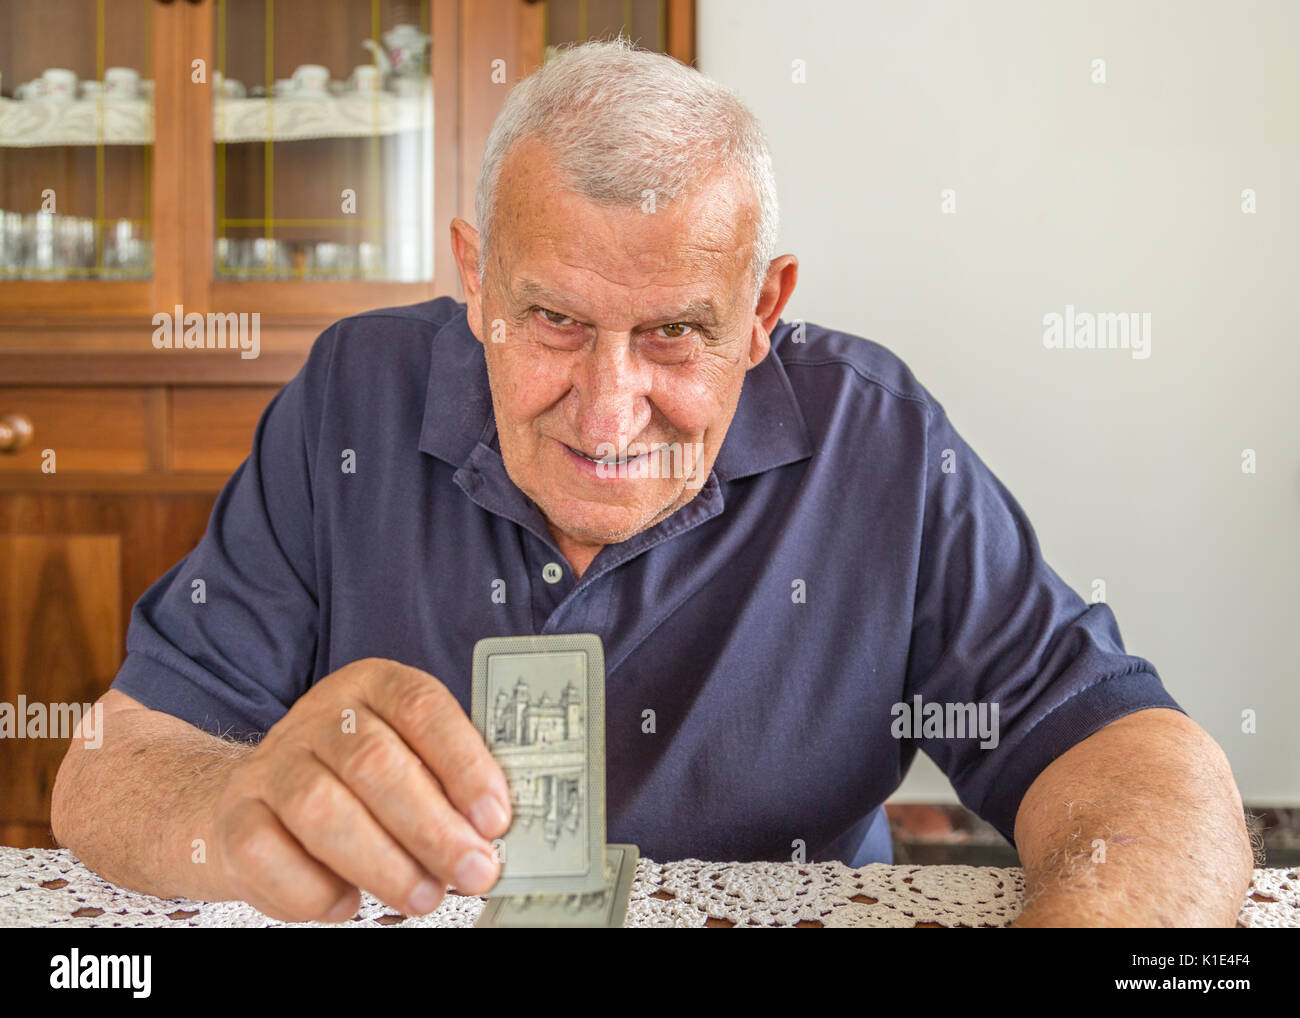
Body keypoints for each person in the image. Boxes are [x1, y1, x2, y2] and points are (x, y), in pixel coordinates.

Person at [51, 38, 1251, 927]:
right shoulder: (350, 395)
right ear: (477, 279)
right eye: (554, 319)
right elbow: (112, 767)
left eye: (676, 331)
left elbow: (1133, 758)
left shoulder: (873, 436)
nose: (609, 409)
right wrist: (231, 797)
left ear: (762, 310)